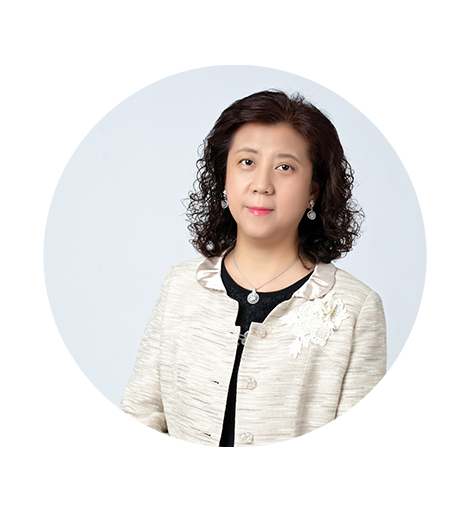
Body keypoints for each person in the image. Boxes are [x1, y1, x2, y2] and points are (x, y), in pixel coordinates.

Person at [119, 90, 387, 447]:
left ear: (313, 190)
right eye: (247, 162)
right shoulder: (179, 285)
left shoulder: (357, 309)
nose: (262, 185)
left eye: (285, 167)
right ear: (224, 178)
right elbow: (139, 414)